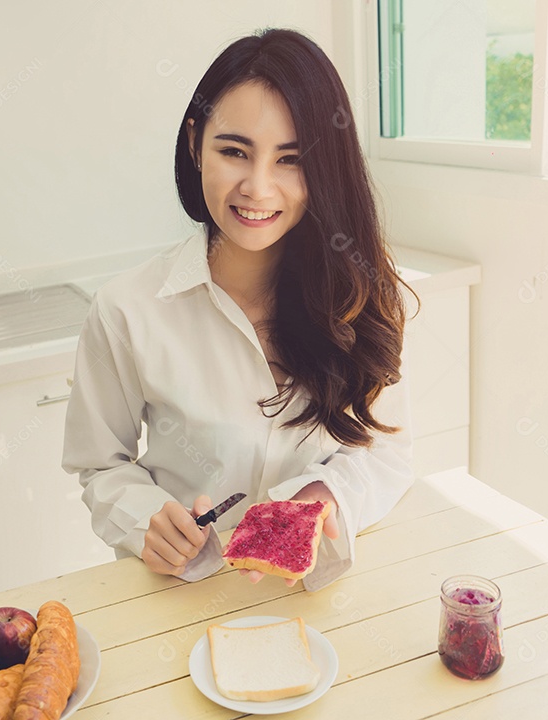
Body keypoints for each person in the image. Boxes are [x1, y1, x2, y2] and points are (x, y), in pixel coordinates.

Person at [62, 28, 416, 591]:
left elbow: (387, 445)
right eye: (234, 151)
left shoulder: (359, 293)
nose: (258, 187)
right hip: (179, 593)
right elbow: (100, 465)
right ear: (195, 141)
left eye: (291, 160)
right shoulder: (126, 309)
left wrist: (323, 498)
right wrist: (143, 519)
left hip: (315, 595)